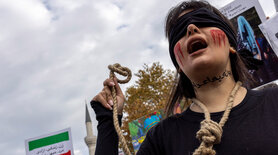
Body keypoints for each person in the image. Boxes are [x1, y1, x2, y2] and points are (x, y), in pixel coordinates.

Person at [90, 0, 278, 154]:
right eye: (179, 31)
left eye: (203, 21)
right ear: (178, 65)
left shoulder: (274, 102)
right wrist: (107, 119)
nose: (191, 28)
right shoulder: (162, 137)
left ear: (231, 44)